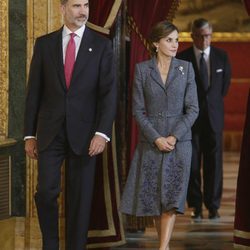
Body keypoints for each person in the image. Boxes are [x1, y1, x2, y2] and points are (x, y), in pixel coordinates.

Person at [24, 0, 117, 249]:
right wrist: (29, 135)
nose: (83, 11)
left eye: (85, 5)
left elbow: (109, 94)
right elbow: (34, 92)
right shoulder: (44, 44)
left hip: (86, 135)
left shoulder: (101, 46)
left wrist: (102, 133)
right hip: (49, 132)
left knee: (79, 200)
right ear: (62, 8)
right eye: (76, 5)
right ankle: (50, 245)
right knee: (46, 192)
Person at [120, 21, 199, 250]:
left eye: (176, 39)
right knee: (156, 199)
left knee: (171, 200)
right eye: (169, 40)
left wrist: (173, 137)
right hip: (151, 144)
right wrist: (156, 138)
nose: (175, 44)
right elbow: (137, 110)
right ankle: (162, 245)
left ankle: (163, 248)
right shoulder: (143, 70)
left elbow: (193, 109)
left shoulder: (186, 69)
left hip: (179, 144)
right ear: (156, 43)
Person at [177, 18, 231, 220]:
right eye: (199, 36)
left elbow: (224, 87)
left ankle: (213, 205)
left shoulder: (222, 57)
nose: (204, 40)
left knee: (214, 164)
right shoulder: (183, 60)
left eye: (207, 36)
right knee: (191, 165)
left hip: (214, 119)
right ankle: (196, 206)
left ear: (212, 35)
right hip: (190, 122)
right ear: (192, 36)